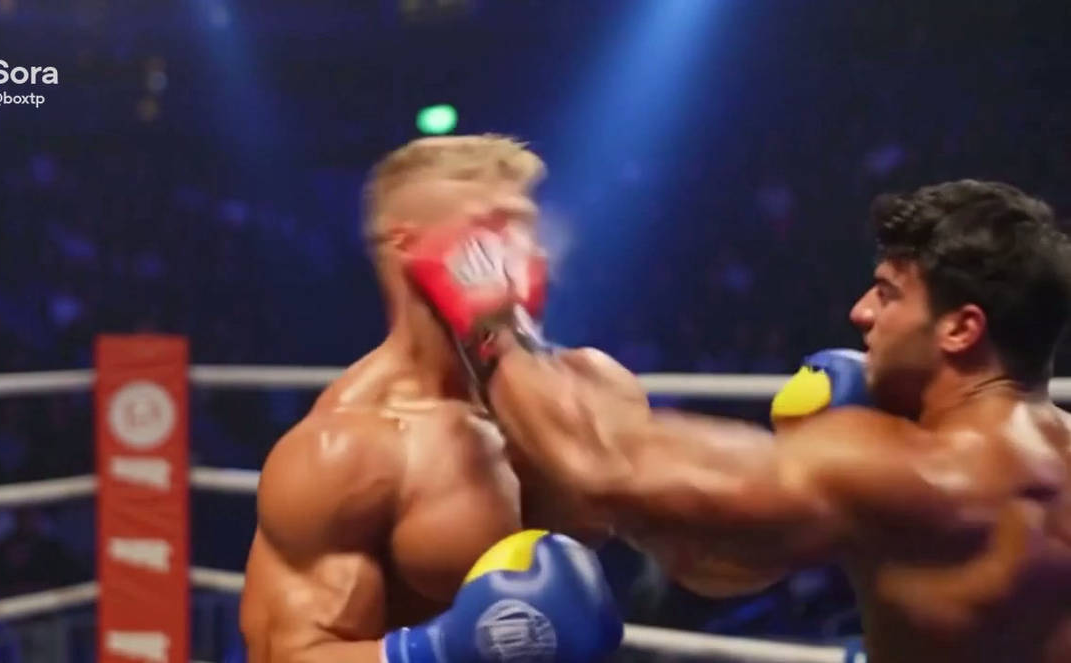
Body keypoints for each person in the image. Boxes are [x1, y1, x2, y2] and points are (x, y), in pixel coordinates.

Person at [408, 179, 1071, 662]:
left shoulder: (908, 469)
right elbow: (726, 560)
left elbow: (608, 465)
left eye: (888, 293)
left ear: (960, 328)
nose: (861, 313)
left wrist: (494, 324)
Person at [238, 135, 621, 663]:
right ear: (406, 245)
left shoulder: (589, 391)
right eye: (494, 227)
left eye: (528, 227)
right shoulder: (349, 448)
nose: (529, 251)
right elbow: (285, 655)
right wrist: (437, 649)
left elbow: (713, 549)